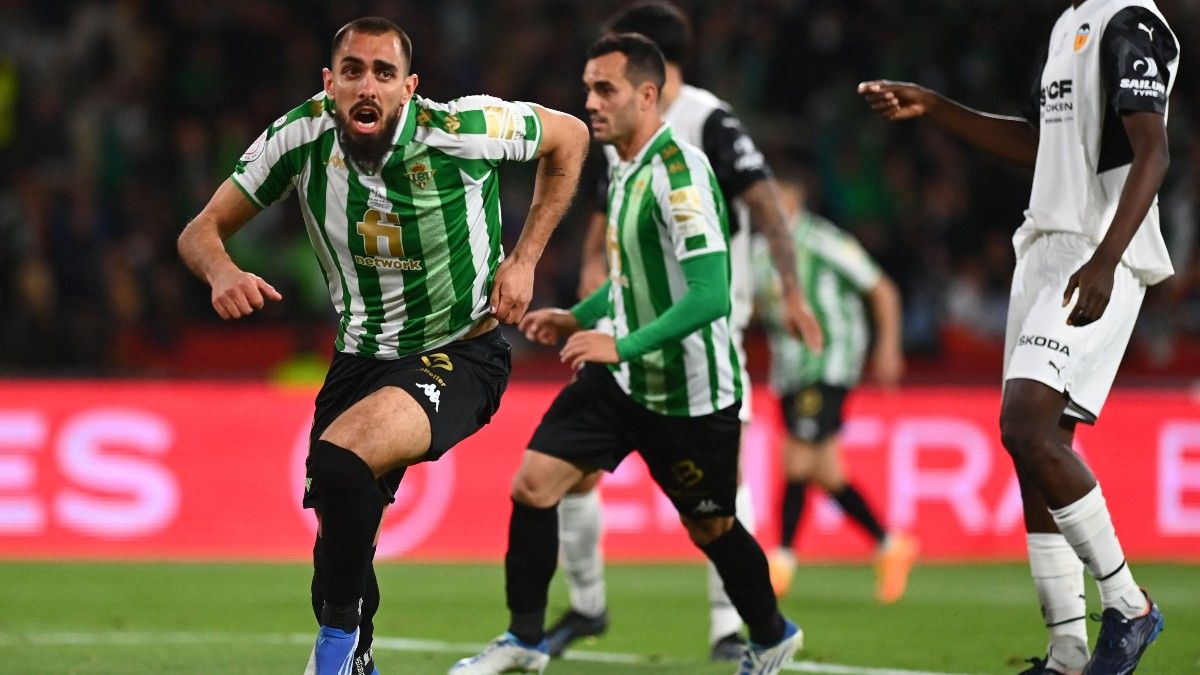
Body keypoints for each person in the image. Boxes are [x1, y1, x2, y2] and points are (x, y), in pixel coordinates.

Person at [176, 16, 588, 675]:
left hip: (461, 352)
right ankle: (357, 649)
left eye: (384, 73)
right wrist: (222, 271)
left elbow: (570, 137)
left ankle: (332, 658)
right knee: (336, 541)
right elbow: (200, 231)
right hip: (359, 359)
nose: (368, 85)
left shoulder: (461, 130)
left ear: (409, 87)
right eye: (353, 71)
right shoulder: (300, 135)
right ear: (329, 82)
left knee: (342, 461)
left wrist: (525, 258)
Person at [450, 33, 804, 675]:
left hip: (689, 395)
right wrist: (578, 317)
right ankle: (524, 641)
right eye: (587, 88)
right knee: (534, 485)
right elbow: (634, 276)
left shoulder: (681, 174)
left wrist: (620, 342)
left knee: (713, 529)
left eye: (604, 89)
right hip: (623, 383)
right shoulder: (626, 167)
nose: (590, 101)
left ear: (647, 94)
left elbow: (711, 295)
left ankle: (773, 632)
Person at [859, 1, 1176, 672]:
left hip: (1097, 246)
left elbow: (1154, 150)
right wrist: (936, 107)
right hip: (1042, 248)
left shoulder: (1130, 20)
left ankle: (1129, 604)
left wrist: (1106, 259)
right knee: (1035, 447)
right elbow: (1041, 143)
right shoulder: (1068, 24)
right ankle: (1066, 651)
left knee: (1026, 423)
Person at [549, 2, 823, 662]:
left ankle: (735, 623)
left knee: (718, 502)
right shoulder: (618, 127)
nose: (594, 95)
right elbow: (603, 216)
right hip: (627, 325)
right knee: (567, 470)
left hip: (702, 333)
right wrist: (593, 293)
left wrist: (789, 287)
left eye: (608, 79)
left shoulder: (707, 121)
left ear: (656, 71)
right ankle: (586, 604)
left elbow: (762, 199)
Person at [753, 176, 919, 604]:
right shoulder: (758, 251)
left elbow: (881, 288)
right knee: (826, 471)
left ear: (793, 197)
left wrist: (888, 346)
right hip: (789, 370)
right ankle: (889, 544)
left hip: (828, 362)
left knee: (796, 457)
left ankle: (781, 559)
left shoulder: (823, 240)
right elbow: (752, 305)